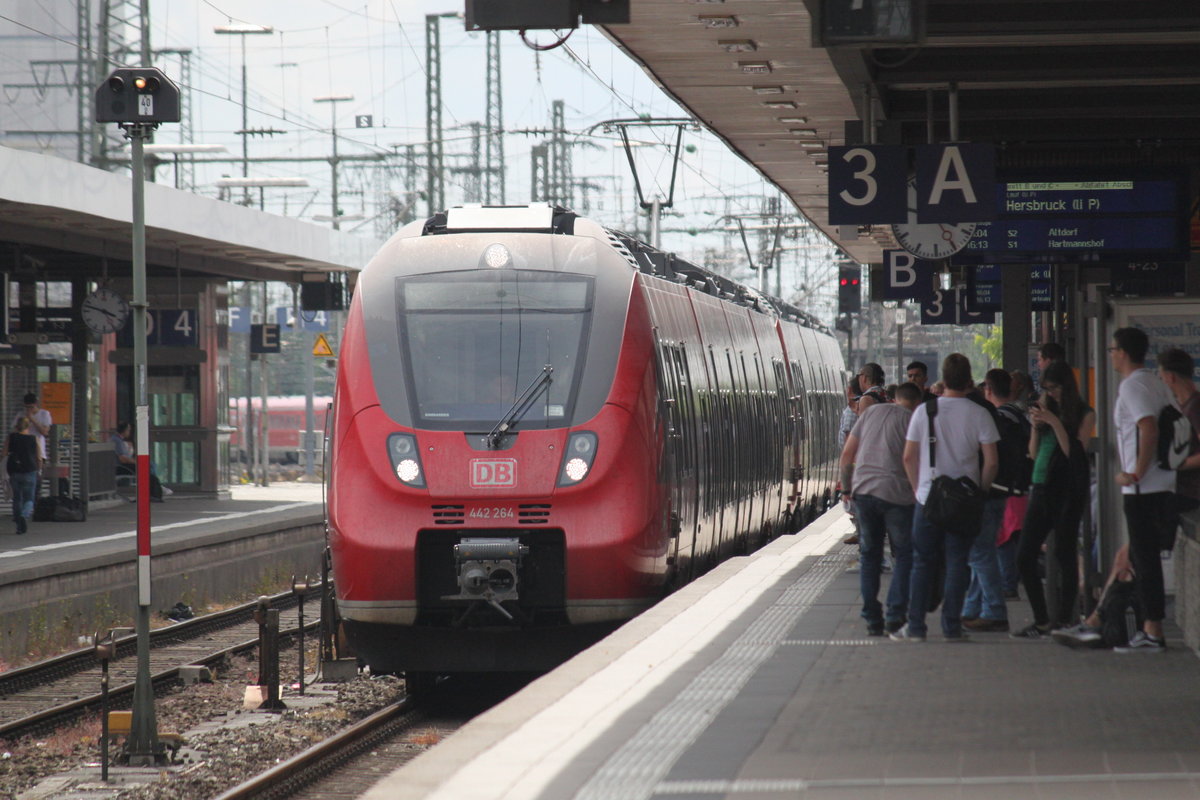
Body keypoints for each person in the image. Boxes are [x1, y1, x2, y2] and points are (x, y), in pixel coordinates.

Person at [892, 354, 999, 642]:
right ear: (968, 379)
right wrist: (981, 492)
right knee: (957, 563)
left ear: (943, 376)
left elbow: (908, 457)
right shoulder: (980, 413)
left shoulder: (924, 412)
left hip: (928, 499)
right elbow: (991, 462)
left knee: (922, 563)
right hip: (964, 503)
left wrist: (918, 490)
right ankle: (952, 627)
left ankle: (915, 628)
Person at [1011, 359, 1094, 639]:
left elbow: (1076, 453)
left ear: (1066, 386)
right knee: (1024, 556)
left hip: (1067, 490)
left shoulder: (1083, 412)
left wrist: (1055, 422)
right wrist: (1036, 426)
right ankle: (1042, 619)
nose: (1051, 393)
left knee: (1065, 554)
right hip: (1040, 484)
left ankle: (1063, 619)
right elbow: (1034, 454)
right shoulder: (1044, 411)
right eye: (1046, 388)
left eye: (1055, 388)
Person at [1110, 326, 1175, 653]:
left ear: (1122, 352)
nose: (1110, 354)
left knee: (1145, 560)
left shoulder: (1132, 387)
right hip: (1163, 483)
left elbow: (1147, 426)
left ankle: (1152, 631)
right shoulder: (1154, 382)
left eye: (1112, 349)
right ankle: (1145, 626)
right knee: (1140, 556)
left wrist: (1134, 472)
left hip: (1143, 489)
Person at [839, 381, 921, 635]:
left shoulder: (871, 413)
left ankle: (873, 619)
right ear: (916, 403)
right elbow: (912, 458)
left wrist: (846, 490)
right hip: (897, 495)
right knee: (905, 554)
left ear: (895, 399)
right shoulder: (913, 420)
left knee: (870, 556)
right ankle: (895, 614)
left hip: (864, 492)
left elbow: (846, 455)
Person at [962, 369, 1028, 633]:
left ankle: (995, 610)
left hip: (990, 491)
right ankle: (971, 608)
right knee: (983, 551)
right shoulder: (1009, 414)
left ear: (988, 389)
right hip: (1005, 490)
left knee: (980, 553)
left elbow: (989, 460)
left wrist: (982, 489)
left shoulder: (987, 415)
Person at [1157, 348, 1200, 527]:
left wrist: (1178, 464)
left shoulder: (1195, 407)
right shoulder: (1181, 407)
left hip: (1192, 493)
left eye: (1161, 377)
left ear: (1170, 377)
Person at [1, 417, 41, 534]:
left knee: (17, 498)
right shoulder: (34, 439)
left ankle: (19, 525)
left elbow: (3, 453)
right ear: (29, 427)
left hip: (15, 471)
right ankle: (24, 515)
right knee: (29, 499)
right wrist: (39, 469)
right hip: (30, 470)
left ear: (16, 426)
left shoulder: (11, 437)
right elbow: (39, 457)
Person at [113, 421, 165, 502]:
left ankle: (155, 489)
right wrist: (135, 462)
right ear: (124, 430)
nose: (129, 432)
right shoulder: (117, 441)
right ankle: (154, 491)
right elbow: (122, 458)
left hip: (123, 465)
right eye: (128, 430)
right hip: (121, 467)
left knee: (150, 466)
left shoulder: (119, 440)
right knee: (146, 468)